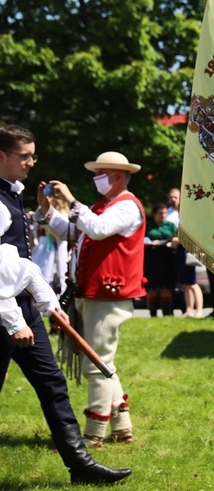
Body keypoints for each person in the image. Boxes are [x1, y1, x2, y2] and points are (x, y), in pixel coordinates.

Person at [0, 125, 131, 484]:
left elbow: (22, 265)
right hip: (4, 313)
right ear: (1, 156)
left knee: (53, 383)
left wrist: (46, 304)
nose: (31, 162)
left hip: (22, 311)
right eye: (24, 155)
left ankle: (81, 467)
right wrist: (13, 322)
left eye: (33, 154)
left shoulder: (12, 193)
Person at [38, 150, 146, 448]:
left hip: (108, 294)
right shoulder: (103, 206)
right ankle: (121, 427)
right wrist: (46, 210)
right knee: (102, 362)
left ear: (119, 176)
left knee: (96, 364)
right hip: (94, 292)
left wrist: (72, 201)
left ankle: (93, 433)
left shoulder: (127, 207)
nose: (97, 178)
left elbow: (97, 230)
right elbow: (72, 231)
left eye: (102, 173)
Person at [166, 187, 203, 318]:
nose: (174, 200)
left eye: (176, 197)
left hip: (188, 250)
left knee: (193, 283)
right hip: (180, 250)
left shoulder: (191, 215)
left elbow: (193, 234)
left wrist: (179, 239)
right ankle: (189, 309)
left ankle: (199, 311)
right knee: (185, 284)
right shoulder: (172, 213)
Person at [144, 202, 178, 317]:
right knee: (152, 286)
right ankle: (153, 314)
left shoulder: (170, 225)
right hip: (151, 258)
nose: (163, 215)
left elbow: (176, 236)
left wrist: (173, 241)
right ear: (154, 214)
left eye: (164, 213)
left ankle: (166, 313)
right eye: (160, 213)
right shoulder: (148, 225)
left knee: (166, 286)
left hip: (167, 257)